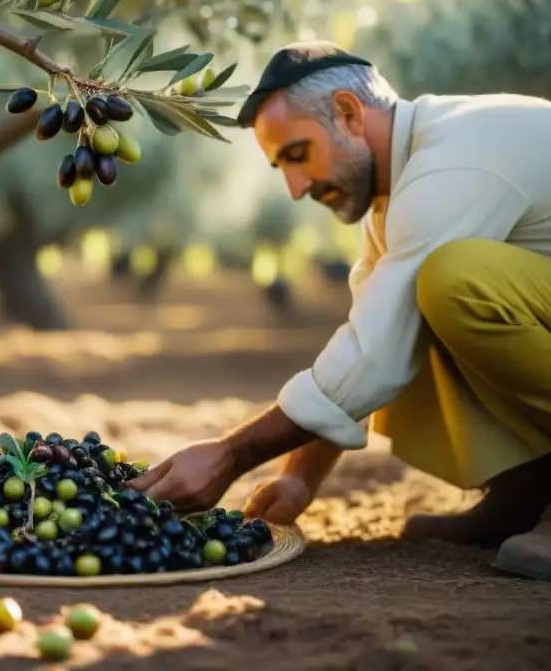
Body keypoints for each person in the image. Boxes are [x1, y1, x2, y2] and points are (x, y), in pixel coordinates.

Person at [128, 41, 551, 580]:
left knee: (454, 280)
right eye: (281, 168)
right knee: (410, 300)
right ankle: (526, 492)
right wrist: (301, 477)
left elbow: (375, 356)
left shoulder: (457, 158)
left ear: (349, 114)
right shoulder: (399, 195)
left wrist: (232, 455)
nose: (296, 187)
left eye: (298, 155)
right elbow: (370, 337)